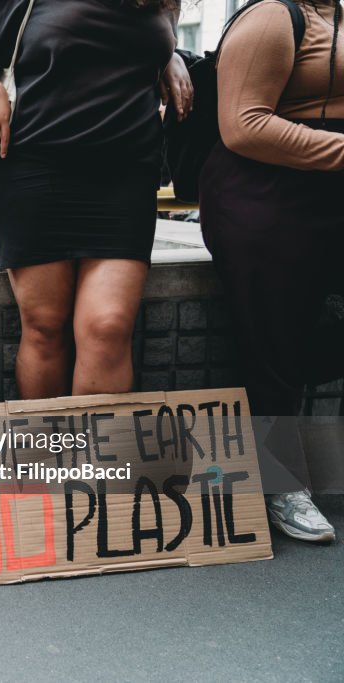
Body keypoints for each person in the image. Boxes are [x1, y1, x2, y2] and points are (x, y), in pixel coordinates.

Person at [0, 0, 192, 399]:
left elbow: (136, 46)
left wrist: (171, 57)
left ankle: (96, 463)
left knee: (108, 326)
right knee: (44, 327)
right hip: (35, 172)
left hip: (125, 179)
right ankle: (46, 459)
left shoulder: (164, 1)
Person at [200, 0, 343, 543]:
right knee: (272, 339)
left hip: (330, 187)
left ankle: (290, 371)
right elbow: (243, 127)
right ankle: (281, 485)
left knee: (287, 346)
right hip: (264, 195)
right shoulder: (272, 18)